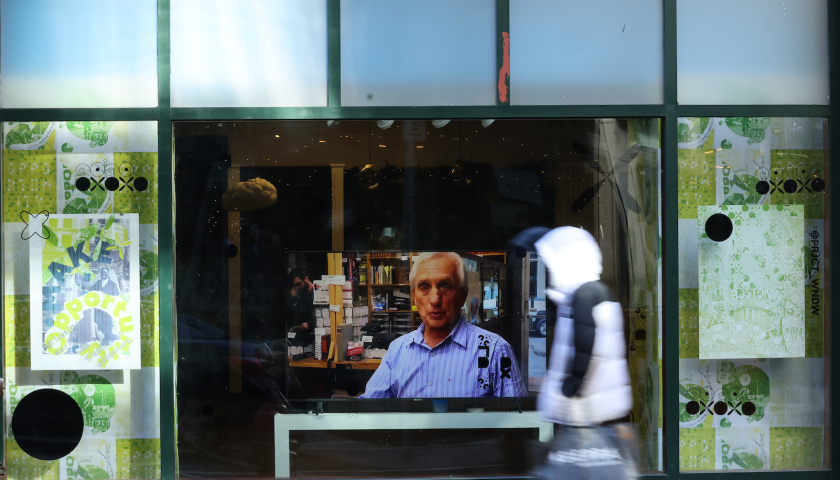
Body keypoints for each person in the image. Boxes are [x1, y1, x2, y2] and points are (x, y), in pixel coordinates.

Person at [360, 252, 526, 398]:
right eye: (424, 287)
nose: (435, 299)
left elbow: (517, 423)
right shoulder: (397, 351)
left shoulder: (495, 351)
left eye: (446, 286)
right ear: (414, 296)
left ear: (463, 295)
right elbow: (368, 413)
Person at [532, 227, 632, 426]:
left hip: (586, 405)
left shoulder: (584, 295)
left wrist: (571, 387)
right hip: (597, 402)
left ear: (568, 259)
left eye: (552, 263)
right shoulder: (594, 291)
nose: (549, 270)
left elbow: (587, 346)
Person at [285, 267, 314, 332]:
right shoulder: (300, 296)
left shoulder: (316, 294)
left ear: (306, 279)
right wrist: (293, 298)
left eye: (299, 284)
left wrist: (309, 324)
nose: (297, 287)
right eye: (295, 285)